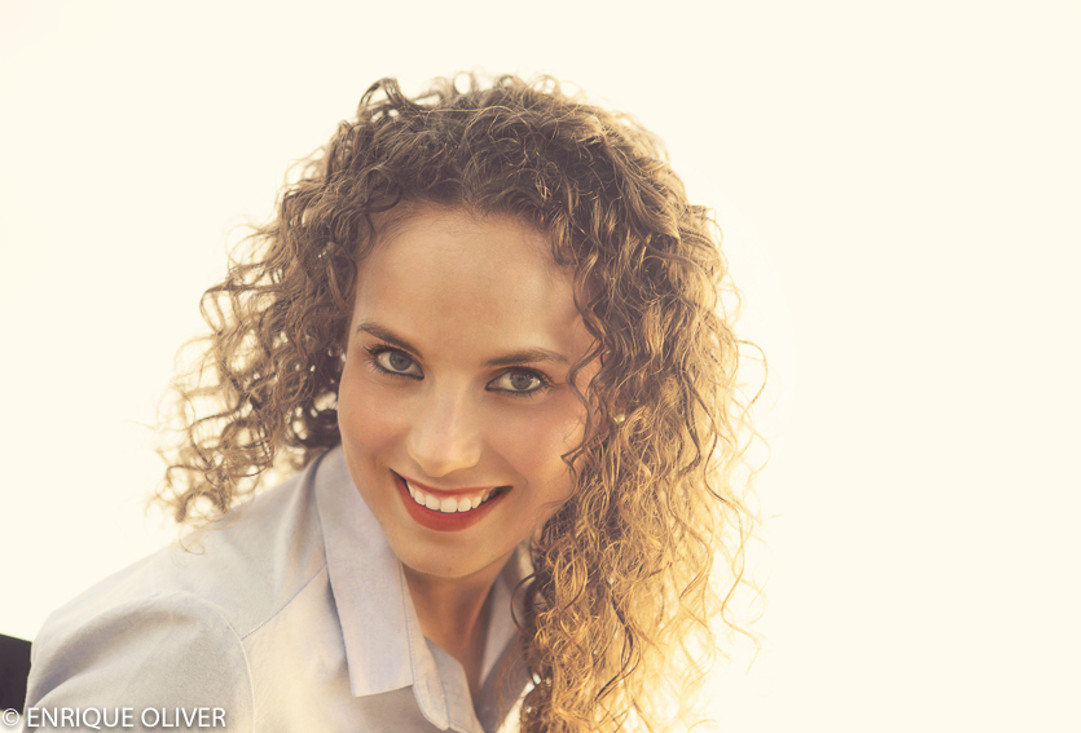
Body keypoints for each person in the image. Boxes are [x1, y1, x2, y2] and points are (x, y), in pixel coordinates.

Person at [23, 73, 759, 731]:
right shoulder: (198, 657)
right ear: (333, 343)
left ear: (626, 393)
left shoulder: (573, 599)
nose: (442, 448)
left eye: (520, 379)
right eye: (396, 361)